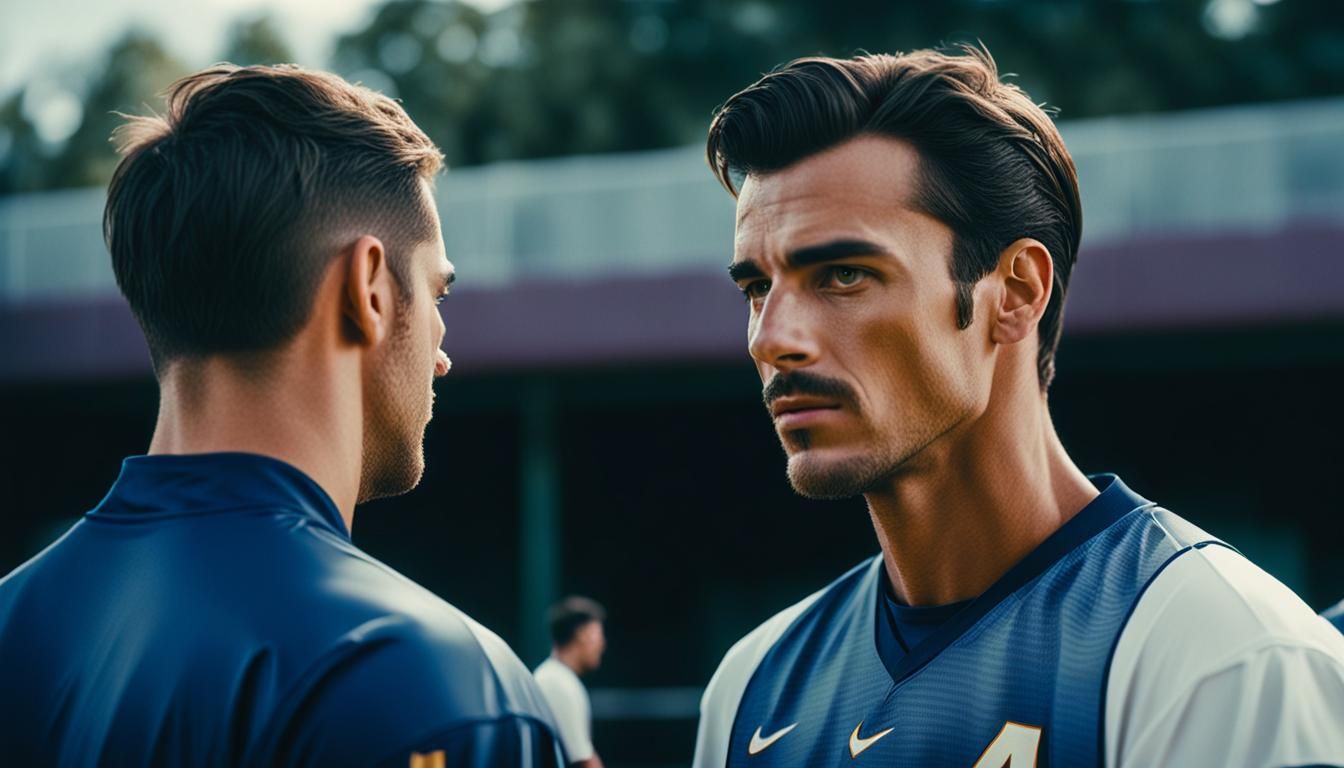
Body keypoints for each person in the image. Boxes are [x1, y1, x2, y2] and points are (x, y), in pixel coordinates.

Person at [691, 47, 1344, 767]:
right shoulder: (751, 686)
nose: (770, 339)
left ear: (1016, 291)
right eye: (757, 288)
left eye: (843, 274)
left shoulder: (1222, 658)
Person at [0, 64, 563, 766]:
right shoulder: (430, 685)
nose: (443, 354)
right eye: (437, 296)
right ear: (368, 289)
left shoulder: (13, 625)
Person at [534, 597, 608, 768]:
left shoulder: (558, 677)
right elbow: (584, 761)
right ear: (582, 634)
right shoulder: (557, 682)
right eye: (598, 634)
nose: (602, 644)